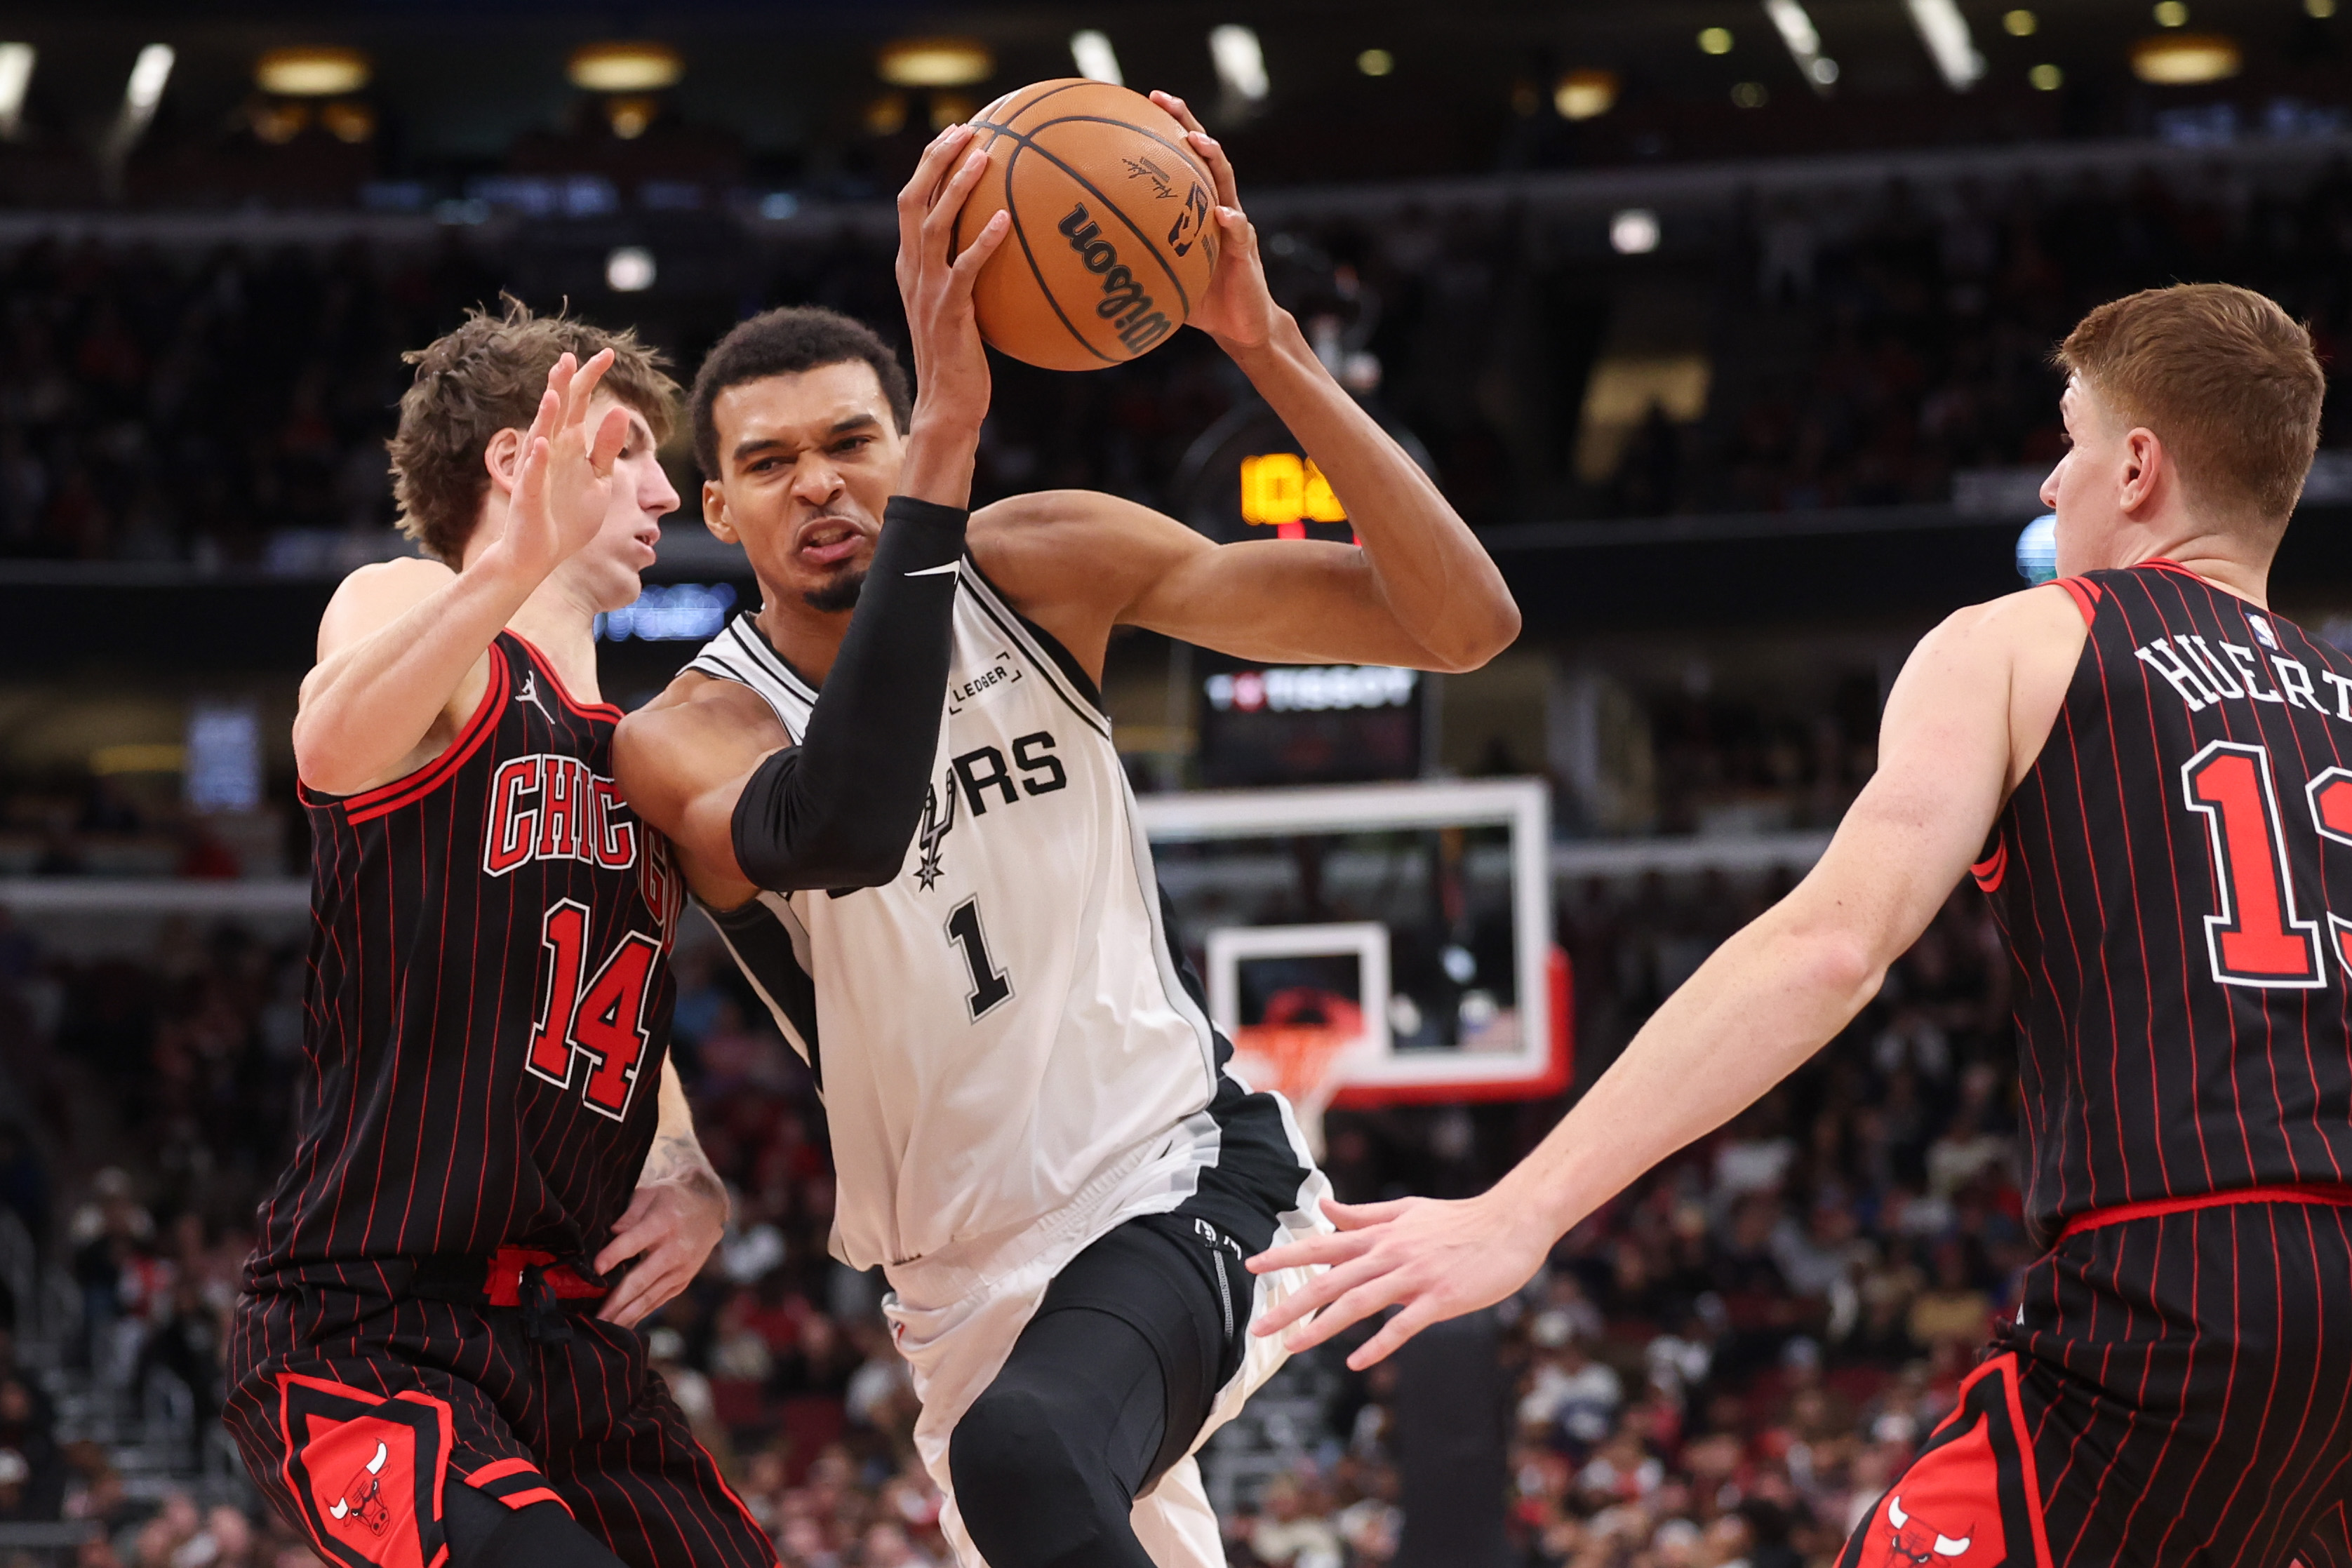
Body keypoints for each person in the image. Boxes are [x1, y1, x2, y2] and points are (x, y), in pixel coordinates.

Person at [1250, 282, 2352, 1566]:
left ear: (2141, 466)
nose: (2053, 489)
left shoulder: (2020, 642)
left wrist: (1524, 1208)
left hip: (2186, 1279)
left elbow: (1830, 946)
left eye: (2071, 444)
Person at [612, 99, 1520, 1568]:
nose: (822, 483)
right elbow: (842, 821)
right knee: (1029, 1458)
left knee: (1025, 1448)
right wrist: (945, 446)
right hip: (959, 1282)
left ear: (903, 437)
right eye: (771, 464)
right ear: (717, 505)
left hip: (1181, 1167)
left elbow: (1462, 624)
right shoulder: (689, 734)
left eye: (855, 440)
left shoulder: (1040, 563)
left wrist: (1261, 343)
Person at [219, 301, 770, 1568]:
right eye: (627, 449)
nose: (664, 492)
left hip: (563, 1344)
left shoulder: (633, 746)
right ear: (522, 459)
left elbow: (602, 990)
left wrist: (682, 1162)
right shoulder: (417, 617)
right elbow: (329, 745)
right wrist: (503, 570)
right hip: (366, 1323)